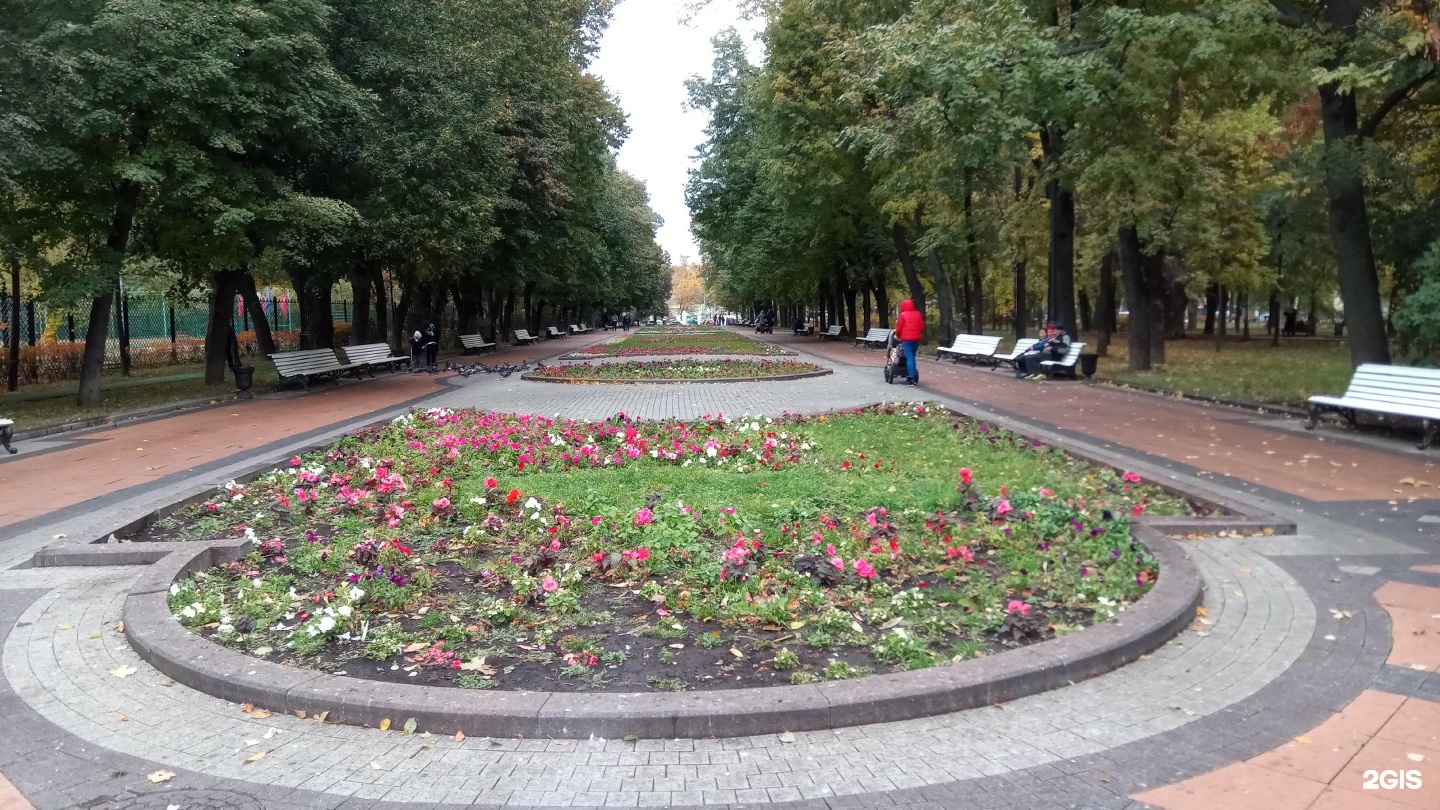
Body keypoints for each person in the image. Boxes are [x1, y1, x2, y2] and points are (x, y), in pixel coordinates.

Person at [895, 298, 924, 385]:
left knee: (909, 357)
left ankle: (911, 377)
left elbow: (899, 328)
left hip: (906, 339)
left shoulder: (902, 315)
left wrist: (898, 335)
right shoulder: (918, 314)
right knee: (913, 356)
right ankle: (914, 376)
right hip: (916, 339)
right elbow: (921, 327)